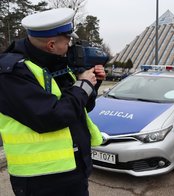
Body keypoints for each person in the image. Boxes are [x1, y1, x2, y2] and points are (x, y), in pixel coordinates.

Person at [0, 8, 106, 196]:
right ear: (51, 45)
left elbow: (79, 108)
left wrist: (92, 85)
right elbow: (52, 116)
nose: (71, 45)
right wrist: (82, 86)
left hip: (74, 171)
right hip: (41, 180)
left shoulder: (57, 64)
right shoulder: (12, 73)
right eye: (68, 40)